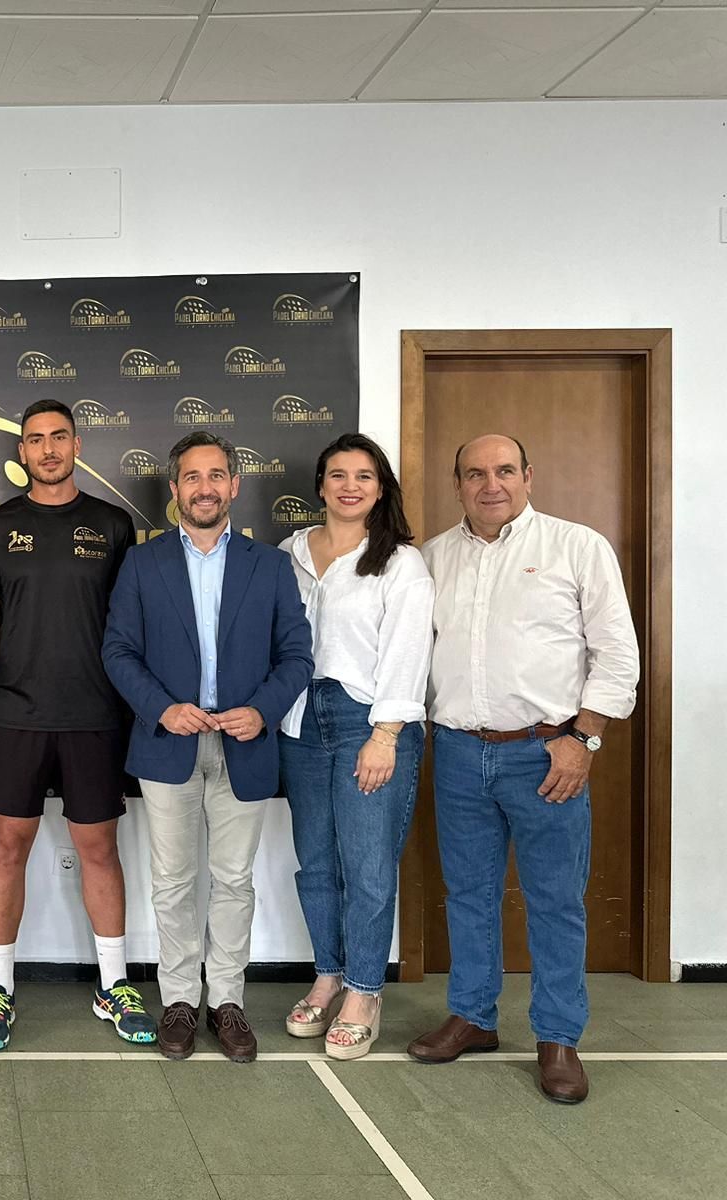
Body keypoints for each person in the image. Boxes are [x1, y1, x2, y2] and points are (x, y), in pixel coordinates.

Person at [408, 434, 638, 1104]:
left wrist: (583, 740)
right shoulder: (432, 559)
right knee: (469, 895)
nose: (491, 484)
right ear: (458, 485)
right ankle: (475, 1017)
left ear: (528, 475)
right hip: (456, 750)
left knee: (554, 901)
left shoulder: (577, 547)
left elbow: (618, 656)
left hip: (547, 754)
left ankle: (559, 1038)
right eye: (475, 473)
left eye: (505, 470)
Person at [102, 431, 313, 1062]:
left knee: (232, 880)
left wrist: (263, 710)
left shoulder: (270, 565)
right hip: (168, 741)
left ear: (234, 486)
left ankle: (226, 1001)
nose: (205, 488)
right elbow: (118, 650)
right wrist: (162, 707)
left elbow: (298, 655)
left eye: (216, 475)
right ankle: (175, 1001)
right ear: (174, 491)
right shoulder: (143, 562)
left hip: (244, 744)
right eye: (192, 478)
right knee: (171, 880)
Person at [0, 399, 143, 1053]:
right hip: (15, 715)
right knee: (5, 851)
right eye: (35, 439)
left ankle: (115, 983)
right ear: (21, 451)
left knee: (99, 852)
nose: (48, 449)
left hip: (94, 715)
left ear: (76, 444)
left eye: (59, 437)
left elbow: (131, 626)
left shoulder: (112, 524)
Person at [277, 433, 433, 1060]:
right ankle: (328, 975)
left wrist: (387, 733)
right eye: (337, 474)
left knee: (368, 867)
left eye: (363, 476)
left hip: (370, 719)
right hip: (299, 719)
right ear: (319, 485)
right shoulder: (288, 553)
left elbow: (407, 651)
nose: (349, 485)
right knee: (315, 863)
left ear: (380, 487)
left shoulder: (400, 562)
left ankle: (365, 990)